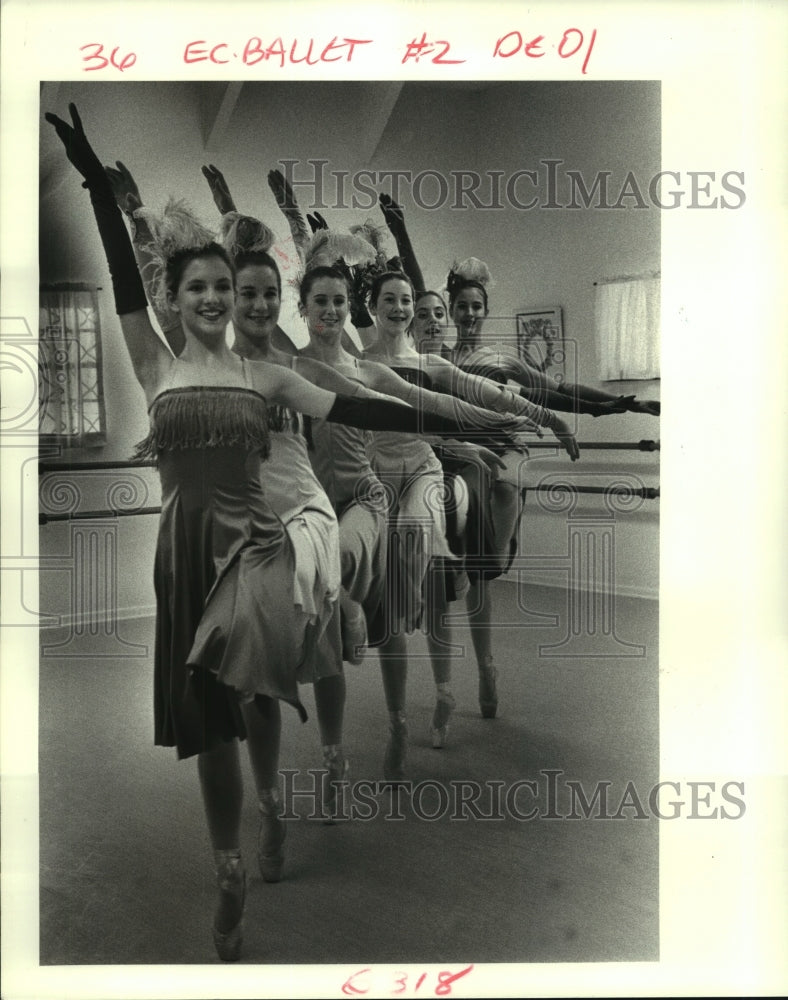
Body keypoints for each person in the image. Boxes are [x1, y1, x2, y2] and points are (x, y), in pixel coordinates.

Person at [46, 105, 511, 962]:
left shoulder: (269, 370)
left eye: (226, 287)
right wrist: (95, 188)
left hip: (255, 551)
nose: (217, 298)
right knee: (211, 724)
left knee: (265, 685)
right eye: (201, 288)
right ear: (177, 299)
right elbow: (124, 275)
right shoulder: (155, 361)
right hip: (184, 559)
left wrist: (462, 416)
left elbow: (362, 399)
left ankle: (327, 685)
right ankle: (234, 856)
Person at [296, 264, 540, 777]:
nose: (413, 313)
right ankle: (402, 701)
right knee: (397, 594)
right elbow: (416, 410)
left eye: (422, 307)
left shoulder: (420, 361)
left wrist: (517, 421)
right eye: (398, 302)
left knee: (447, 568)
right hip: (384, 472)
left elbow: (435, 405)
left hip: (432, 466)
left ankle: (465, 669)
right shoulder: (343, 358)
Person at [362, 271, 579, 738]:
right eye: (394, 302)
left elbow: (484, 398)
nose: (402, 311)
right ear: (373, 307)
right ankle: (400, 715)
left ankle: (459, 682)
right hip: (384, 480)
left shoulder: (430, 363)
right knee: (392, 606)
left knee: (444, 588)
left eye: (410, 303)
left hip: (429, 478)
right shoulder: (359, 362)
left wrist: (547, 415)